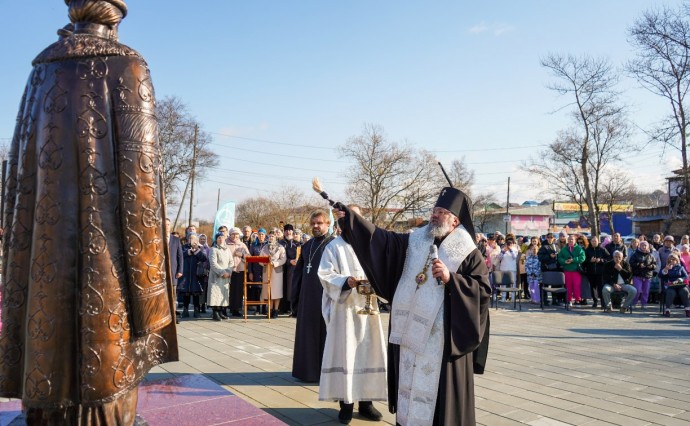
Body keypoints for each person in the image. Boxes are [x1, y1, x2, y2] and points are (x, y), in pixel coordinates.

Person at [0, 1, 179, 422]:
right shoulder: (128, 67)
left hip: (45, 263)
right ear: (115, 18)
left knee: (49, 358)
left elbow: (19, 183)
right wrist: (153, 306)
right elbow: (143, 183)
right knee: (107, 380)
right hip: (110, 264)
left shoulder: (40, 72)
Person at [334, 187, 491, 425]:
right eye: (434, 210)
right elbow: (382, 241)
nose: (435, 215)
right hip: (410, 336)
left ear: (455, 220)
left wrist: (452, 280)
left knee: (437, 404)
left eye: (442, 212)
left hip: (442, 341)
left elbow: (482, 292)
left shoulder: (467, 251)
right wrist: (352, 220)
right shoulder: (416, 240)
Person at [318, 205, 387, 424]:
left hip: (369, 309)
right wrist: (345, 282)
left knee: (369, 353)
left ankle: (366, 403)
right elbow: (325, 274)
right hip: (345, 309)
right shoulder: (334, 247)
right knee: (346, 354)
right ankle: (346, 405)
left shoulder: (371, 246)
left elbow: (384, 270)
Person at [292, 210, 336, 382]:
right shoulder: (307, 245)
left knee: (324, 334)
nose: (316, 226)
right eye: (313, 223)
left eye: (319, 223)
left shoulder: (334, 245)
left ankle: (324, 373)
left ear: (328, 224)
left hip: (325, 296)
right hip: (306, 298)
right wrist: (295, 298)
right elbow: (299, 274)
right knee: (307, 334)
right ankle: (306, 371)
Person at [179, 233, 208, 318]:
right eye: (191, 239)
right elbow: (180, 256)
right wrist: (188, 252)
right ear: (188, 239)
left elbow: (204, 258)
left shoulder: (200, 248)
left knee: (196, 294)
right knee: (186, 293)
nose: (192, 240)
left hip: (196, 275)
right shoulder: (184, 247)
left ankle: (196, 311)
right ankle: (185, 310)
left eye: (194, 239)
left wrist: (196, 251)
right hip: (186, 274)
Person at [208, 232, 235, 321]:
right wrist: (222, 272)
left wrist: (228, 271)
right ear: (216, 239)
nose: (220, 239)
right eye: (219, 238)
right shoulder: (213, 249)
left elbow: (231, 262)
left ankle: (220, 312)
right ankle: (215, 313)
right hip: (217, 276)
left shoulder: (227, 249)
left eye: (222, 238)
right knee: (215, 294)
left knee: (223, 294)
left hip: (226, 276)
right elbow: (213, 263)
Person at [260, 231, 287, 317]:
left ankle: (276, 310)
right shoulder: (264, 247)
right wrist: (264, 263)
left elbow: (283, 259)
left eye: (273, 236)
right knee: (269, 292)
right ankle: (270, 309)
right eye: (270, 236)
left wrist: (275, 263)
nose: (271, 238)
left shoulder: (280, 247)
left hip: (276, 272)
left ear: (276, 237)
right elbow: (260, 259)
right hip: (267, 271)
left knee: (276, 291)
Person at [557, 234, 586, 308]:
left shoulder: (579, 249)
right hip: (567, 270)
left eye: (572, 239)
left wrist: (574, 260)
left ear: (575, 240)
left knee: (577, 286)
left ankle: (577, 300)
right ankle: (569, 300)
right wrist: (564, 261)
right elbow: (559, 258)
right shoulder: (564, 249)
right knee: (568, 286)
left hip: (576, 270)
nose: (570, 241)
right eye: (569, 239)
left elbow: (583, 258)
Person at [227, 227, 250, 317]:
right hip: (229, 269)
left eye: (237, 234)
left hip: (240, 269)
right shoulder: (226, 243)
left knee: (239, 290)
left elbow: (248, 256)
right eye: (233, 234)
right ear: (230, 234)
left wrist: (242, 255)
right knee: (229, 290)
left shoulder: (242, 245)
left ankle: (236, 309)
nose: (235, 236)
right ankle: (226, 308)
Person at [584, 236, 610, 309]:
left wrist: (601, 260)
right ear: (590, 242)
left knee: (601, 288)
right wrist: (590, 261)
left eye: (595, 241)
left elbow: (608, 258)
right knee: (593, 288)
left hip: (600, 272)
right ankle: (595, 301)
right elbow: (584, 261)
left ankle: (602, 303)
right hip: (591, 272)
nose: (594, 242)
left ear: (598, 242)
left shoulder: (602, 249)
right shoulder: (587, 250)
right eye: (593, 241)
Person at [629, 241, 656, 309]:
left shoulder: (651, 255)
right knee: (637, 291)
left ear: (648, 247)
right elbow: (631, 263)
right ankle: (634, 303)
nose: (644, 247)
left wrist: (651, 266)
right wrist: (638, 265)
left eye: (645, 245)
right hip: (637, 275)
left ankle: (644, 303)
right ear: (640, 246)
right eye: (642, 245)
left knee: (646, 291)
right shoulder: (635, 254)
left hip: (647, 276)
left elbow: (655, 265)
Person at [167, 218, 184, 322]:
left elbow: (180, 256)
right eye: (164, 224)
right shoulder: (156, 237)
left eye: (168, 224)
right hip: (159, 273)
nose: (166, 226)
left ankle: (173, 316)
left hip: (173, 272)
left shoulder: (175, 240)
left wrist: (180, 270)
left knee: (173, 296)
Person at [279, 224, 299, 315]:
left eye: (290, 230)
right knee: (281, 287)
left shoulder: (297, 243)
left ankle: (292, 307)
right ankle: (282, 307)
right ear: (284, 232)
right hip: (281, 268)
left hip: (292, 269)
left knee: (291, 287)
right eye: (286, 230)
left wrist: (295, 261)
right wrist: (288, 261)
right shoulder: (280, 243)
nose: (288, 232)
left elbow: (299, 256)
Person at [538, 232, 562, 306]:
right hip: (547, 268)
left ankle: (554, 300)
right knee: (545, 285)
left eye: (551, 237)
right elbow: (540, 258)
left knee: (555, 285)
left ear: (554, 238)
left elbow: (559, 256)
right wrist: (549, 256)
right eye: (548, 237)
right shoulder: (543, 246)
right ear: (546, 238)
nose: (550, 239)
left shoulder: (556, 246)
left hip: (555, 268)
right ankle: (544, 300)